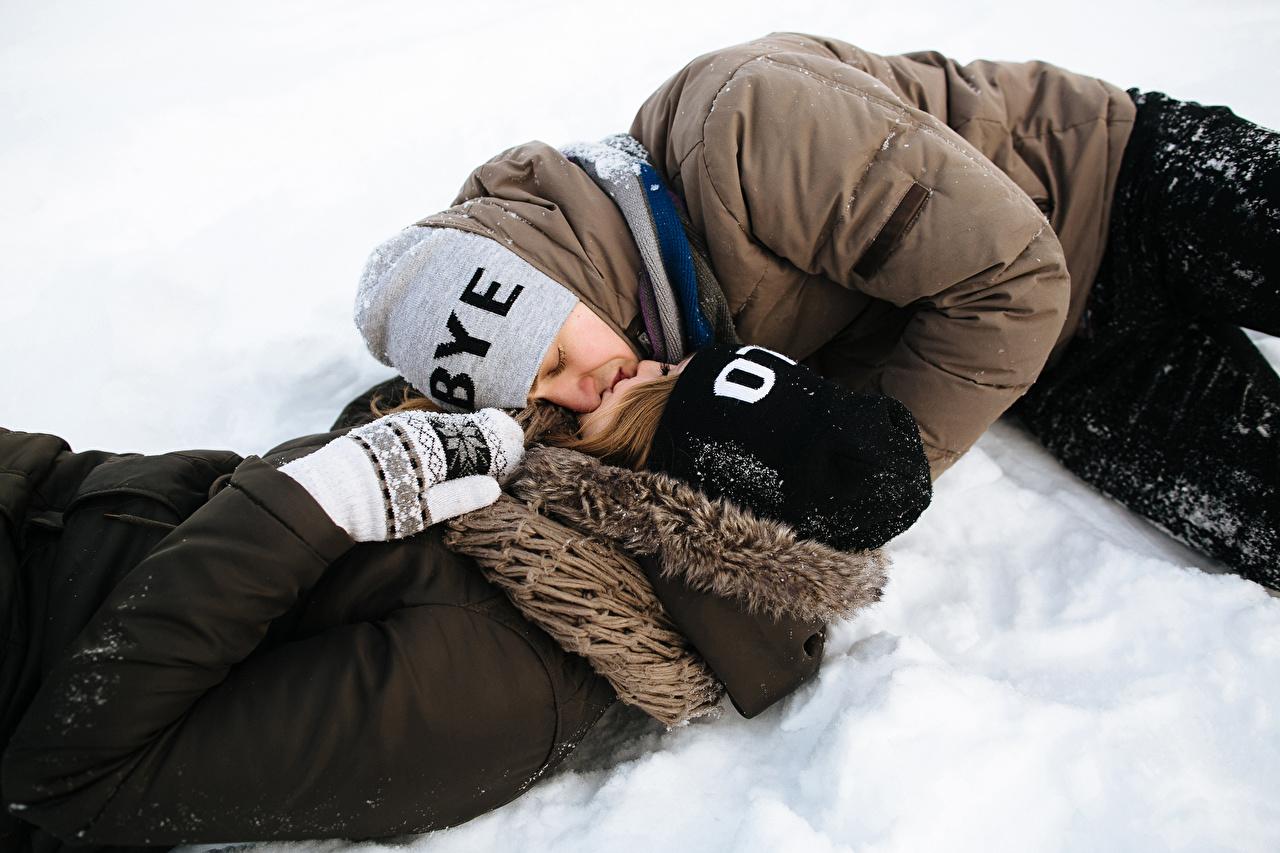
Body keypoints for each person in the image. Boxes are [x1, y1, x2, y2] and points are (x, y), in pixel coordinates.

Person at [344, 32, 1278, 588]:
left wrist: (881, 458)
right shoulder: (647, 348)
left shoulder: (744, 126)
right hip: (1062, 360)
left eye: (554, 362)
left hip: (1120, 183)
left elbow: (1015, 276)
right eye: (549, 401)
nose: (589, 396)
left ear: (560, 277)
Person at [0, 345, 930, 851]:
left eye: (664, 387)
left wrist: (328, 499)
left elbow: (75, 778)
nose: (641, 360)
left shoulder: (502, 687)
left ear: (670, 479)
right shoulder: (536, 492)